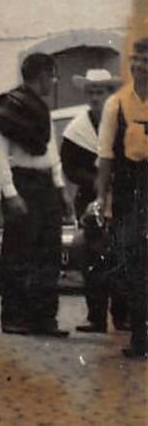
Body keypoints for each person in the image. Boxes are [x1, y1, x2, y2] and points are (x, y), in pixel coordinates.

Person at [0, 53, 69, 337]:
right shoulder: (10, 108)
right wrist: (11, 193)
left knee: (49, 253)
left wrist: (59, 186)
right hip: (23, 185)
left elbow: (50, 151)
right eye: (53, 76)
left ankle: (44, 318)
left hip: (45, 186)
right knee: (19, 253)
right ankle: (14, 317)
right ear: (42, 75)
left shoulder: (41, 110)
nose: (53, 82)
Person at [64, 67, 128, 334]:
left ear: (110, 94)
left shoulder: (123, 123)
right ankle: (96, 316)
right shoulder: (77, 129)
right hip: (92, 199)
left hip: (123, 197)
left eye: (99, 92)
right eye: (90, 92)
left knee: (122, 255)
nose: (94, 97)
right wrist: (95, 179)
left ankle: (122, 315)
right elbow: (70, 166)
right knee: (93, 257)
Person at [96, 38, 148, 359]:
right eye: (136, 59)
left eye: (147, 59)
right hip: (130, 189)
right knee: (134, 262)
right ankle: (140, 336)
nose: (140, 65)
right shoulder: (116, 104)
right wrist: (101, 197)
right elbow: (104, 156)